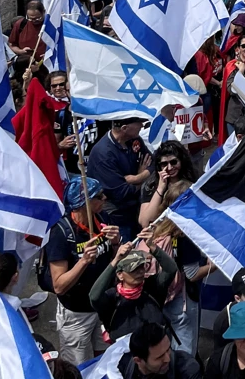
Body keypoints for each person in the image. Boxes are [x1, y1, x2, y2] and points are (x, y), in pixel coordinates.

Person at [45, 178, 120, 365]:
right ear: (82, 203)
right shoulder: (61, 233)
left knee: (103, 360)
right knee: (79, 367)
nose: (105, 198)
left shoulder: (102, 218)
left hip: (102, 306)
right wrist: (84, 261)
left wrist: (116, 243)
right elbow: (59, 286)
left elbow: (115, 260)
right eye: (98, 196)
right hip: (76, 314)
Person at [89, 241, 178, 343]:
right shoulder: (112, 298)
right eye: (133, 269)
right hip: (127, 354)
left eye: (141, 267)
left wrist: (152, 246)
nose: (140, 272)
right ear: (120, 274)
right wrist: (116, 260)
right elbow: (94, 296)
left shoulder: (152, 287)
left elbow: (171, 269)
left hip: (158, 349)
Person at [86, 116, 152, 236]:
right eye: (138, 123)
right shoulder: (103, 154)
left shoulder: (134, 140)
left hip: (136, 209)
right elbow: (122, 192)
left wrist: (137, 178)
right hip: (117, 216)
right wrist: (144, 178)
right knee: (124, 250)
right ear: (124, 128)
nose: (142, 126)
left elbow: (152, 163)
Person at [118, 321, 202, 379]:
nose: (167, 359)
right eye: (160, 357)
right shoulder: (123, 367)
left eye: (168, 349)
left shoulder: (187, 369)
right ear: (138, 360)